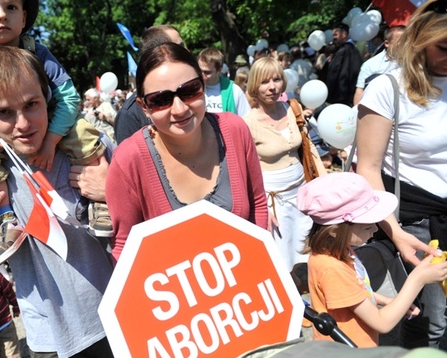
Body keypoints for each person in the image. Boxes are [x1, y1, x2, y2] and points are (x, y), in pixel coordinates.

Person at [0, 45, 115, 358]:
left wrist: (110, 191)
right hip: (52, 341)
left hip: (122, 314)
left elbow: (141, 223)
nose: (22, 123)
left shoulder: (93, 151)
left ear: (47, 98)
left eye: (32, 105)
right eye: (3, 112)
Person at [0, 0, 111, 259]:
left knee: (84, 133)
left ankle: (99, 201)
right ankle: (6, 218)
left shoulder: (39, 53)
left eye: (10, 7)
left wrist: (52, 139)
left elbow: (67, 96)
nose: (1, 15)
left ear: (24, 18)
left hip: (55, 125)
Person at [106, 42, 268, 260]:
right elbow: (125, 247)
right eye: (161, 100)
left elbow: (257, 204)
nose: (180, 109)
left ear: (203, 87)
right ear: (144, 107)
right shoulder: (128, 160)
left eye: (190, 90)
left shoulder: (235, 130)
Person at [356, 0, 447, 350]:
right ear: (421, 38)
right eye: (444, 47)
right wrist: (394, 231)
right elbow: (368, 167)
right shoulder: (388, 88)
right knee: (431, 322)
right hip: (417, 225)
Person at [298, 172, 447, 348]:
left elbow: (354, 290)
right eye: (368, 226)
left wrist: (388, 301)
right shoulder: (332, 268)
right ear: (335, 231)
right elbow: (382, 323)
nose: (376, 229)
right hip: (348, 355)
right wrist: (418, 279)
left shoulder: (338, 252)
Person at [243, 57, 325, 271]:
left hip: (302, 193)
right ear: (254, 85)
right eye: (264, 82)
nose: (272, 87)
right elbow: (245, 172)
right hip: (274, 201)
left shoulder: (292, 108)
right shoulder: (247, 123)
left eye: (277, 79)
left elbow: (309, 149)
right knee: (282, 258)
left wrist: (324, 184)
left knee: (310, 251)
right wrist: (261, 209)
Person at [114, 24, 184, 144]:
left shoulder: (192, 91)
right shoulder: (130, 115)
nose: (180, 110)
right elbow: (130, 160)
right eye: (180, 47)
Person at [353, 26, 405, 105]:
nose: (406, 44)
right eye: (402, 40)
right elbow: (360, 91)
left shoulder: (416, 62)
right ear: (387, 43)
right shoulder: (371, 65)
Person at [197, 48, 251, 117]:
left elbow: (246, 119)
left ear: (219, 70)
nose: (201, 75)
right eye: (199, 70)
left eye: (207, 72)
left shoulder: (234, 91)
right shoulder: (193, 88)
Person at [325, 23, 363, 107]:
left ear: (344, 34)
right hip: (351, 97)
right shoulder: (355, 50)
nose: (334, 38)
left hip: (339, 97)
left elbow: (333, 74)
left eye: (336, 35)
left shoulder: (341, 51)